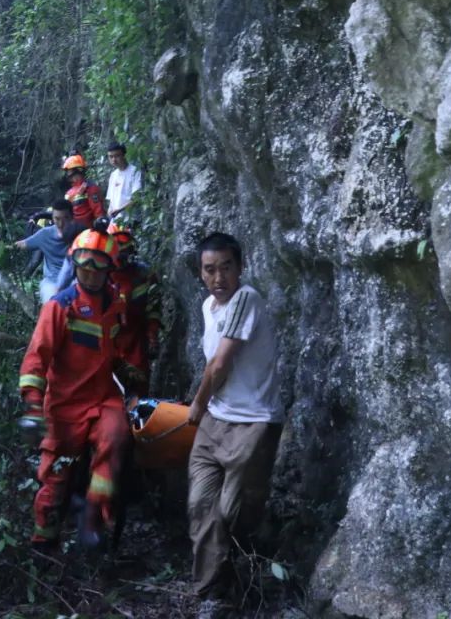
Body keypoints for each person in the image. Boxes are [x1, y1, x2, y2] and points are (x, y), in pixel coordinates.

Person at [18, 228, 140, 548]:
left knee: (116, 438)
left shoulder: (115, 304)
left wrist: (125, 370)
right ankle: (43, 540)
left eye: (98, 268)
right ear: (75, 265)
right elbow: (36, 357)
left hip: (102, 398)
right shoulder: (60, 307)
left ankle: (93, 514)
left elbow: (112, 349)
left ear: (109, 269)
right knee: (56, 475)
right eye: (85, 267)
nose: (91, 275)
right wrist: (32, 405)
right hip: (64, 404)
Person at [186, 232, 283, 616]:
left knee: (231, 513)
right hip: (216, 421)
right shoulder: (209, 307)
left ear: (240, 267)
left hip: (253, 422)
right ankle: (211, 594)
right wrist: (205, 409)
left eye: (227, 267)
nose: (219, 277)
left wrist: (196, 403)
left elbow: (221, 364)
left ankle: (250, 579)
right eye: (210, 269)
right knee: (199, 506)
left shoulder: (246, 299)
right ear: (200, 273)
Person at [107, 222, 160, 382]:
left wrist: (152, 336)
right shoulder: (100, 277)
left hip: (136, 340)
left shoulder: (144, 274)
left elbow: (153, 308)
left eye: (125, 251)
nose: (121, 258)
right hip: (108, 342)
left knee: (138, 387)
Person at [13, 199, 73, 304]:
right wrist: (6, 247)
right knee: (53, 305)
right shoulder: (45, 234)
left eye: (65, 218)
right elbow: (23, 244)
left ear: (72, 218)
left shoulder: (80, 234)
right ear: (52, 219)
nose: (61, 223)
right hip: (52, 282)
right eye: (57, 219)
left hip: (74, 281)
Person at [63, 154, 105, 228]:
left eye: (72, 173)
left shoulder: (90, 188)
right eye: (69, 174)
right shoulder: (69, 193)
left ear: (80, 171)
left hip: (89, 231)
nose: (71, 177)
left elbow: (98, 211)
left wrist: (101, 225)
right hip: (73, 231)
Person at [105, 142, 142, 221]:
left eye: (117, 156)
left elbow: (136, 199)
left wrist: (119, 210)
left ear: (124, 155)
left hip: (131, 220)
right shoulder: (113, 175)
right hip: (115, 221)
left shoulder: (135, 172)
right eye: (111, 157)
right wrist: (109, 212)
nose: (114, 160)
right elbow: (111, 200)